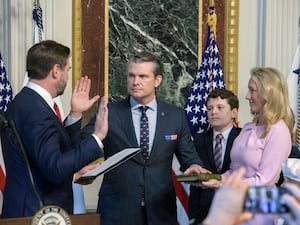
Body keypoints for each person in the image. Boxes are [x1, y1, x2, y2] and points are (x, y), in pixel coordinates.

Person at [76, 51, 210, 225]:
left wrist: (194, 166)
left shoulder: (175, 116)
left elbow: (189, 156)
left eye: (142, 76)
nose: (135, 82)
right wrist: (76, 114)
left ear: (157, 80)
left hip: (161, 211)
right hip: (117, 210)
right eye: (131, 75)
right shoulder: (110, 112)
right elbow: (81, 146)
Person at [1, 40, 108, 218]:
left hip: (32, 211)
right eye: (68, 70)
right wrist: (97, 138)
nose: (67, 76)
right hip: (35, 214)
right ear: (56, 70)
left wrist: (74, 114)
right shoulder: (35, 110)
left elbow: (49, 154)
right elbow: (55, 169)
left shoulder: (27, 102)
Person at [200, 67, 294, 225]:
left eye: (252, 91)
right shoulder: (249, 127)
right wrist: (211, 179)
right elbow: (235, 170)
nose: (247, 96)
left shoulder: (279, 130)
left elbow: (265, 180)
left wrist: (224, 184)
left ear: (268, 94)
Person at [188, 88, 241, 224]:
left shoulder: (244, 138)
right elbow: (195, 179)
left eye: (220, 107)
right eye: (210, 108)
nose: (214, 112)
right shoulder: (199, 139)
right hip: (204, 212)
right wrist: (192, 215)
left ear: (233, 112)